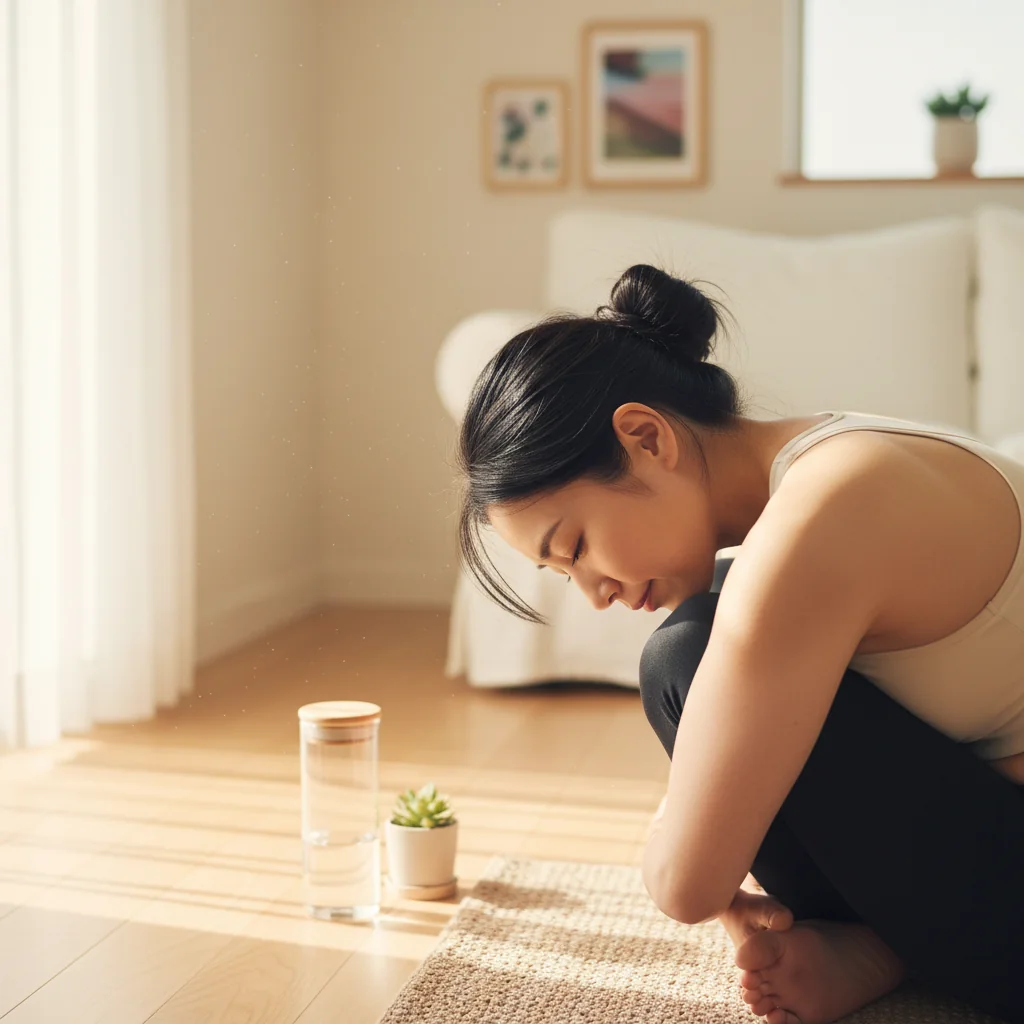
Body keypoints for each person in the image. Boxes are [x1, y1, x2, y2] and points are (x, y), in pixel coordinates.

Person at [453, 263, 1024, 1024]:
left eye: (577, 546)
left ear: (646, 436)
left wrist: (677, 844)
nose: (595, 593)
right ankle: (880, 942)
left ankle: (887, 944)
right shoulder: (835, 457)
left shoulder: (819, 523)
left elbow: (683, 887)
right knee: (715, 646)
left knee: (683, 657)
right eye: (565, 574)